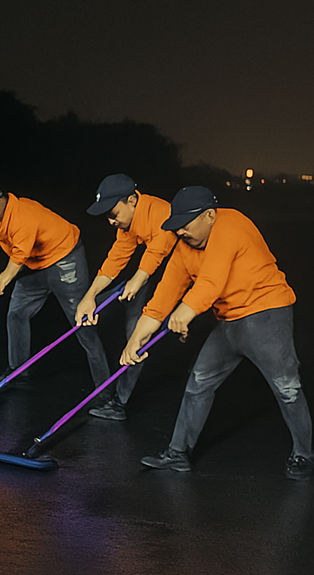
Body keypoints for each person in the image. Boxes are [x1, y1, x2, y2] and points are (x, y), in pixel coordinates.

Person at [120, 185, 313, 479]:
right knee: (199, 382)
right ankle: (178, 453)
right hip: (229, 320)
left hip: (267, 314)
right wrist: (135, 340)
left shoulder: (230, 223)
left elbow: (210, 282)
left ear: (209, 215)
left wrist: (185, 312)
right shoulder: (185, 246)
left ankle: (305, 456)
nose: (181, 232)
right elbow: (162, 299)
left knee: (286, 388)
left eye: (186, 224)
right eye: (177, 226)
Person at [0, 182, 110, 388]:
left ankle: (105, 389)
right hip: (33, 265)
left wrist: (6, 276)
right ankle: (18, 373)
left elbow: (20, 252)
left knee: (82, 323)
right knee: (16, 314)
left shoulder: (24, 215)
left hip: (65, 260)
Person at [74, 174, 177, 420]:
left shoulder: (161, 212)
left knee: (137, 335)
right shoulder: (128, 221)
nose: (110, 221)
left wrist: (138, 280)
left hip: (177, 271)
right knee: (113, 314)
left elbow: (156, 253)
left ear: (132, 200)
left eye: (113, 213)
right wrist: (90, 296)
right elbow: (116, 258)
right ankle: (114, 397)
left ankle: (119, 402)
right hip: (151, 270)